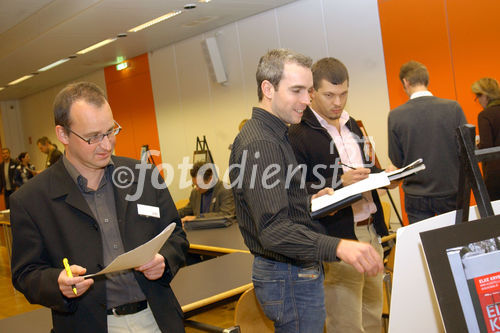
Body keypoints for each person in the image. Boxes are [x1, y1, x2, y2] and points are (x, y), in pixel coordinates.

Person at [10, 82, 189, 333]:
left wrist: (164, 260)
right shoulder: (31, 200)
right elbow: (25, 274)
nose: (106, 145)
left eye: (111, 131)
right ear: (63, 135)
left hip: (156, 318)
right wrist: (57, 283)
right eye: (93, 137)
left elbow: (176, 237)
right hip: (89, 324)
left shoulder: (143, 176)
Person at [229, 49, 383, 333]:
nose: (306, 100)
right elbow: (274, 230)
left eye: (309, 91)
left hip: (293, 271)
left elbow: (280, 199)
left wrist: (308, 199)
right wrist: (338, 246)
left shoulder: (278, 134)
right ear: (268, 89)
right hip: (287, 274)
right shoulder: (261, 144)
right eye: (297, 90)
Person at [289, 57, 391, 333]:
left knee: (372, 315)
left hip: (370, 230)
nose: (338, 102)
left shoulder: (353, 125)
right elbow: (295, 191)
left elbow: (367, 168)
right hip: (337, 237)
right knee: (346, 324)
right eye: (330, 95)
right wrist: (339, 182)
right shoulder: (297, 133)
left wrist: (387, 177)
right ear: (312, 93)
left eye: (344, 93)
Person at [388, 60, 467, 223]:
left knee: (423, 245)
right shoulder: (453, 108)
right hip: (451, 190)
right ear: (427, 80)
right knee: (456, 243)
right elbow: (466, 150)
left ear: (405, 82)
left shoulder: (396, 115)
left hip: (416, 195)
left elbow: (397, 160)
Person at [471, 77, 500, 201]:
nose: (478, 101)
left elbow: (487, 149)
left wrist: (477, 146)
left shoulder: (485, 115)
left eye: (477, 97)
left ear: (485, 95)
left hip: (496, 175)